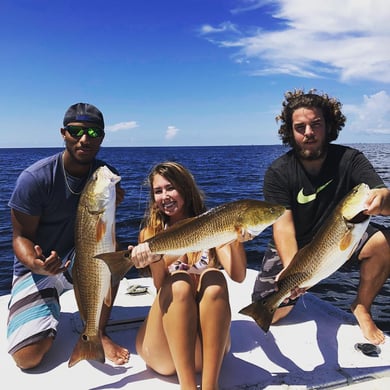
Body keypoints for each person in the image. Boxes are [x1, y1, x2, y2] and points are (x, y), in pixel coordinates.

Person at [252, 89, 390, 345]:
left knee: (384, 243)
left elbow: (380, 191)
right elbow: (283, 228)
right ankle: (293, 290)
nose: (308, 132)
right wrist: (295, 272)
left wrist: (382, 199)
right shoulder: (278, 172)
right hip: (297, 246)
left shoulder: (350, 159)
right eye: (300, 126)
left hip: (340, 233)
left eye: (316, 124)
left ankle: (362, 306)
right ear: (290, 131)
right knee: (274, 313)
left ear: (329, 126)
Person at [7, 102, 129, 369]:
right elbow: (20, 237)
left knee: (114, 252)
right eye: (76, 131)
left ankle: (97, 331)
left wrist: (112, 206)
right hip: (40, 266)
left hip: (79, 259)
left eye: (94, 133)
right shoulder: (35, 179)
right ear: (63, 133)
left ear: (102, 137)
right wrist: (37, 263)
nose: (85, 139)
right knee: (28, 358)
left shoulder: (104, 175)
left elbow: (102, 234)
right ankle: (44, 307)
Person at [129, 161, 248, 390]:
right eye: (158, 191)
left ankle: (210, 386)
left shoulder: (213, 225)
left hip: (206, 351)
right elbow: (159, 284)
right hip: (164, 350)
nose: (165, 196)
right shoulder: (150, 233)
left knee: (214, 278)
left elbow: (238, 275)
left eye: (171, 188)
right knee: (180, 283)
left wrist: (235, 237)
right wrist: (155, 258)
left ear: (185, 188)